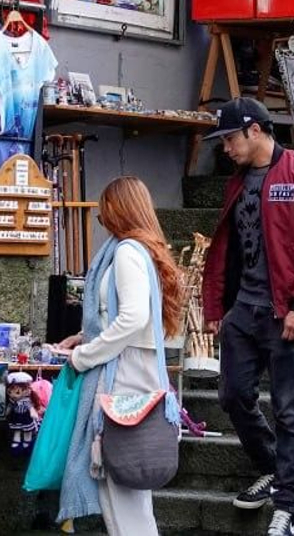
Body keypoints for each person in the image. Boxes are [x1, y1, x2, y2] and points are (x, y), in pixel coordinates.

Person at [201, 97, 294, 536]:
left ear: (255, 130)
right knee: (232, 395)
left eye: (230, 138)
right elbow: (224, 246)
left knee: (290, 410)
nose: (225, 148)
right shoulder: (236, 182)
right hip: (246, 308)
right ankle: (276, 467)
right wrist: (216, 306)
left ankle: (291, 504)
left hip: (287, 310)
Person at [57, 176, 186, 536]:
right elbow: (127, 317)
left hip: (124, 376)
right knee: (127, 495)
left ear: (118, 210)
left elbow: (131, 318)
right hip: (137, 370)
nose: (101, 217)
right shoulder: (144, 250)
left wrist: (85, 354)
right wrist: (84, 336)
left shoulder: (127, 252)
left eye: (105, 209)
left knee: (122, 490)